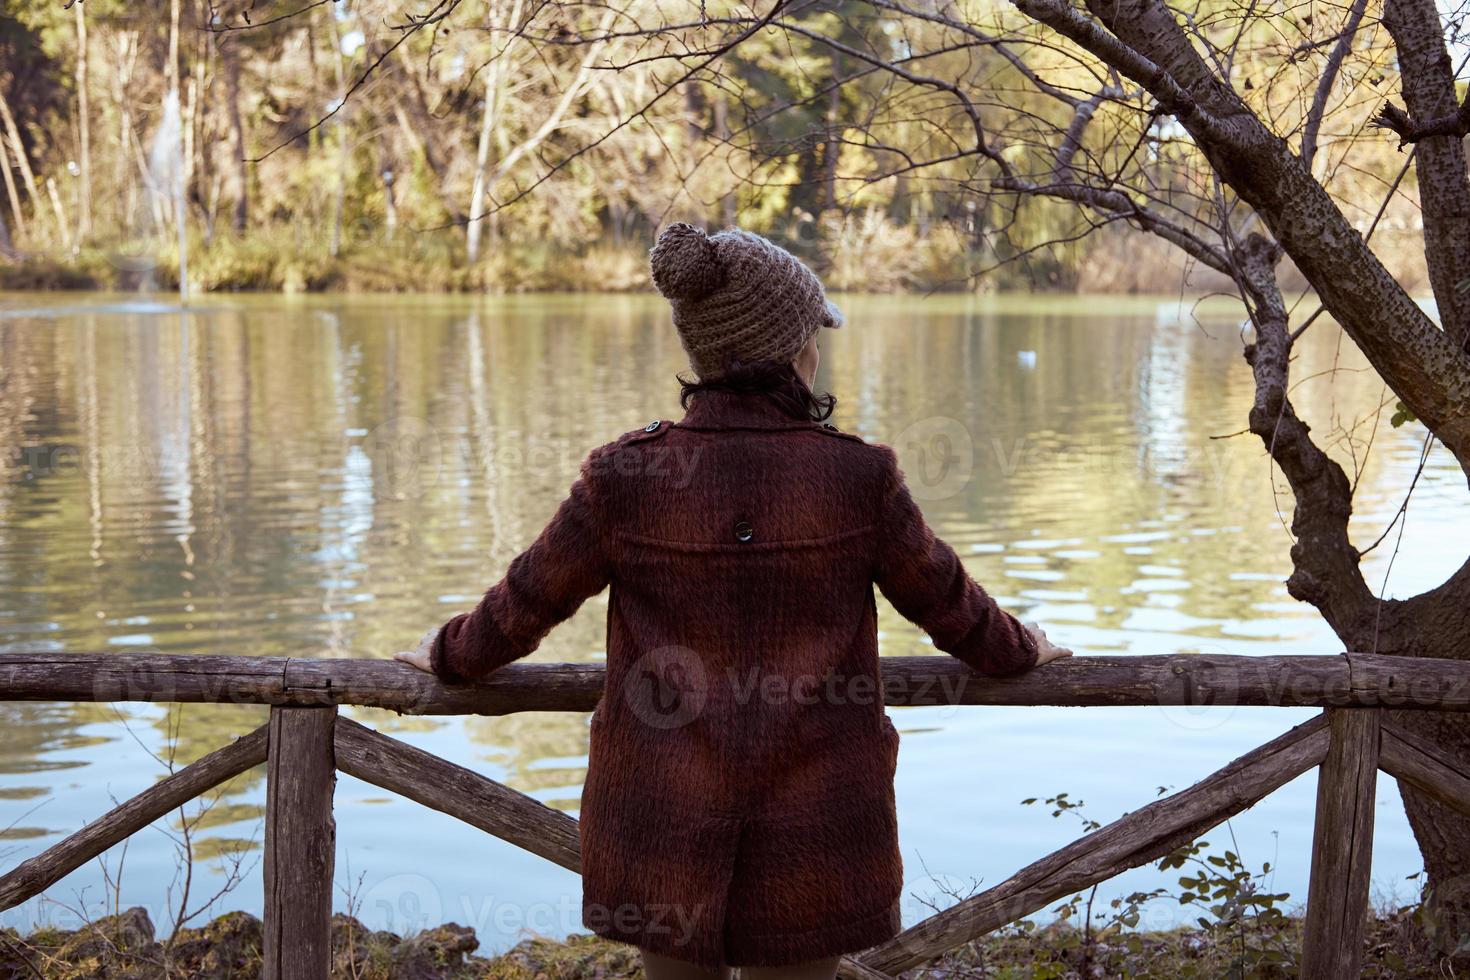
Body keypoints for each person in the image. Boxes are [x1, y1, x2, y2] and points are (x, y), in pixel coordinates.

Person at [396, 222, 1073, 980]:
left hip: (662, 812)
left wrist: (448, 653)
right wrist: (1025, 649)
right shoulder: (856, 478)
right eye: (812, 334)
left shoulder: (627, 477)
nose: (817, 351)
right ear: (791, 351)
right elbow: (951, 606)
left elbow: (525, 604)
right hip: (814, 818)